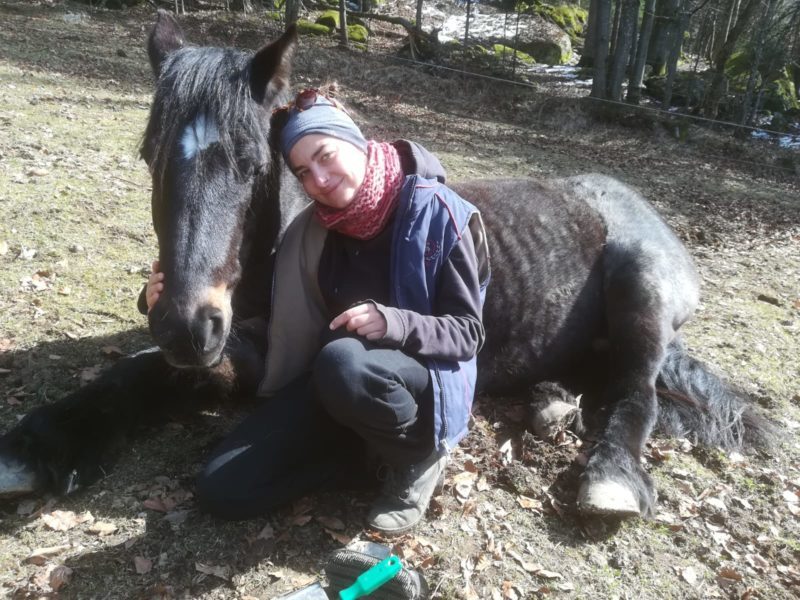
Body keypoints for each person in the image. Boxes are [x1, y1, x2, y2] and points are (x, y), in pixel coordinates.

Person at [144, 89, 491, 534]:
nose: (321, 180)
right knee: (223, 489)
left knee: (344, 360)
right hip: (333, 386)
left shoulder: (442, 214)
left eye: (326, 156)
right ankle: (364, 463)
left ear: (357, 141)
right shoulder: (312, 230)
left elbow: (467, 333)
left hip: (417, 384)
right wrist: (165, 302)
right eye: (304, 172)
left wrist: (395, 322)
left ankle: (415, 459)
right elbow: (257, 305)